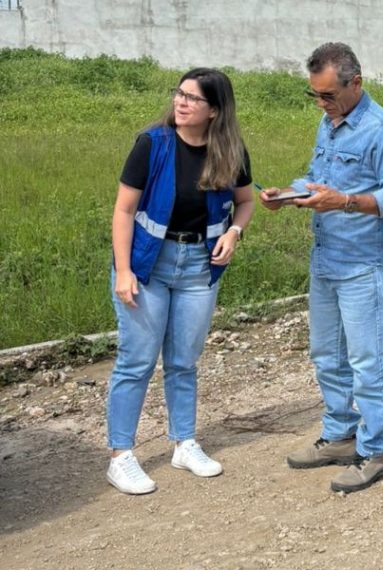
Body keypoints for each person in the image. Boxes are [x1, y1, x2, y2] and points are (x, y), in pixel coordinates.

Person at [259, 43, 383, 494]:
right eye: (316, 96)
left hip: (363, 264)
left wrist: (344, 201)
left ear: (355, 83)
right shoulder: (328, 124)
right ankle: (340, 436)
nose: (322, 104)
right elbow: (316, 179)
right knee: (327, 356)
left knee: (367, 361)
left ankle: (373, 452)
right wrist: (288, 193)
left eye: (328, 95)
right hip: (325, 259)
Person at [106, 68, 255, 495]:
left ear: (214, 111)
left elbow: (244, 202)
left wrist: (233, 232)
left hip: (199, 269)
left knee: (184, 362)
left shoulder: (230, 150)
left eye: (192, 98)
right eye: (179, 93)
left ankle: (184, 443)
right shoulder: (151, 144)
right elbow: (123, 212)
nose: (181, 102)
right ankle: (121, 456)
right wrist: (124, 271)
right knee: (136, 362)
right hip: (148, 266)